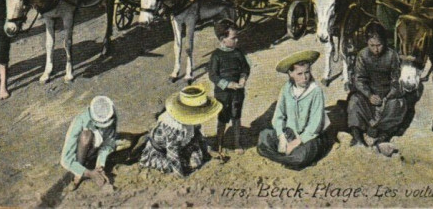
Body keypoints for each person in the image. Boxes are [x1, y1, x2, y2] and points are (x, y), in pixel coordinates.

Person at [257, 50, 329, 170]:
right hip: (289, 133)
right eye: (299, 74)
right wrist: (281, 137)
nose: (305, 77)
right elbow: (279, 115)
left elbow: (315, 124)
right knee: (263, 137)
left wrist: (297, 142)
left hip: (308, 137)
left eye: (307, 72)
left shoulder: (315, 91)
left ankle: (293, 157)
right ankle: (290, 157)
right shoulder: (287, 89)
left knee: (301, 155)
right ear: (291, 74)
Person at [347, 23, 406, 156]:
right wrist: (369, 95)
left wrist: (388, 97)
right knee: (354, 100)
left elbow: (396, 81)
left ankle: (383, 136)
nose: (376, 49)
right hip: (370, 97)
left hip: (388, 97)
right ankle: (357, 137)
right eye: (372, 45)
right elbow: (359, 80)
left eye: (379, 45)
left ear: (384, 42)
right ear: (367, 43)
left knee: (398, 105)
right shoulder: (362, 55)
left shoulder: (392, 56)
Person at [139, 86, 219, 177]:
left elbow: (198, 136)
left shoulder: (190, 121)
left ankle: (186, 160)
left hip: (181, 147)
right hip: (161, 152)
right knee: (172, 167)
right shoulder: (173, 128)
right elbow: (173, 156)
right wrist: (181, 176)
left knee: (196, 162)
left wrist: (206, 154)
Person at [208, 19, 250, 157]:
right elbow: (213, 75)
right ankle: (219, 142)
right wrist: (227, 84)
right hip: (223, 93)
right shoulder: (216, 55)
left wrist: (243, 78)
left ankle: (236, 143)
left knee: (236, 117)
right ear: (222, 39)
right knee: (222, 118)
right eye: (233, 38)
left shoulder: (238, 53)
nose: (237, 40)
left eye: (237, 37)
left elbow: (245, 68)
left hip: (237, 93)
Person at [61, 96, 118, 191]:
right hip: (79, 152)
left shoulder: (110, 114)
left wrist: (100, 166)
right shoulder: (80, 121)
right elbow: (65, 160)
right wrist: (89, 173)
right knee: (85, 136)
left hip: (95, 149)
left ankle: (93, 166)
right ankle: (78, 173)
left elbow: (108, 143)